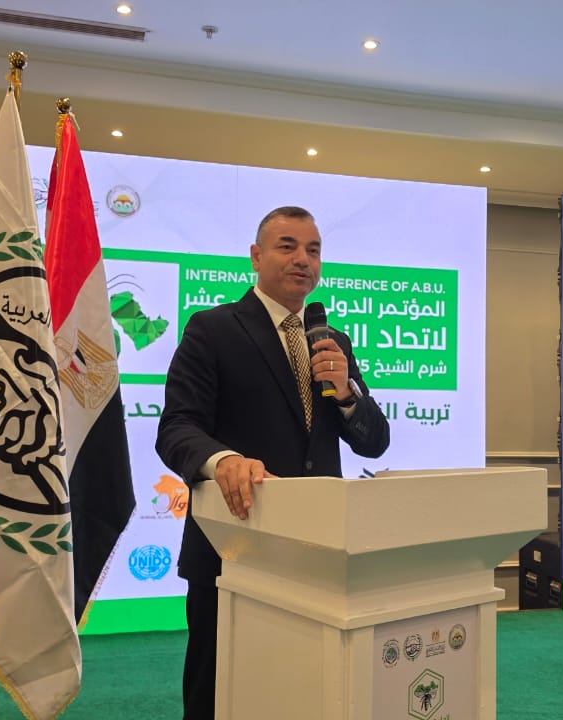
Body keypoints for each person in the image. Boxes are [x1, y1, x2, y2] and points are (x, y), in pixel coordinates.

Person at [156, 206, 391, 720]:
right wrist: (223, 460)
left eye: (313, 250)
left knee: (305, 693)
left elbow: (374, 443)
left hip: (319, 554)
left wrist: (347, 393)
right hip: (235, 549)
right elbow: (176, 427)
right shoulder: (213, 329)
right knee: (218, 693)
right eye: (288, 246)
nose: (303, 259)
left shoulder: (332, 342)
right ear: (256, 256)